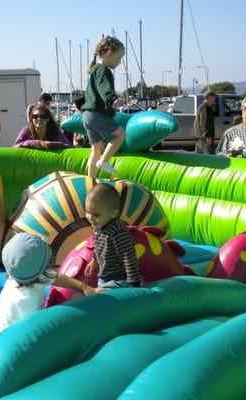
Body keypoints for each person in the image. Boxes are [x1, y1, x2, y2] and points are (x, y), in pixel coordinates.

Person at [0, 232, 102, 341]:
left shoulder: (23, 275)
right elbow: (32, 331)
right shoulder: (25, 299)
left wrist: (83, 287)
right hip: (2, 337)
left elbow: (55, 277)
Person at [81, 36, 126, 177]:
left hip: (87, 116)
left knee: (96, 149)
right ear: (109, 54)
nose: (119, 62)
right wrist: (113, 100)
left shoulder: (94, 69)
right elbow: (104, 88)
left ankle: (90, 180)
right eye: (119, 58)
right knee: (120, 135)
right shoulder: (103, 70)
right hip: (97, 114)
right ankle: (104, 161)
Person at [84, 183, 140, 289]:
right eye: (87, 212)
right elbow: (98, 246)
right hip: (104, 277)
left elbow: (128, 257)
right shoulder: (98, 225)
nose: (90, 217)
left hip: (119, 280)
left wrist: (134, 284)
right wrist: (94, 260)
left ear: (114, 213)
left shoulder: (118, 233)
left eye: (96, 214)